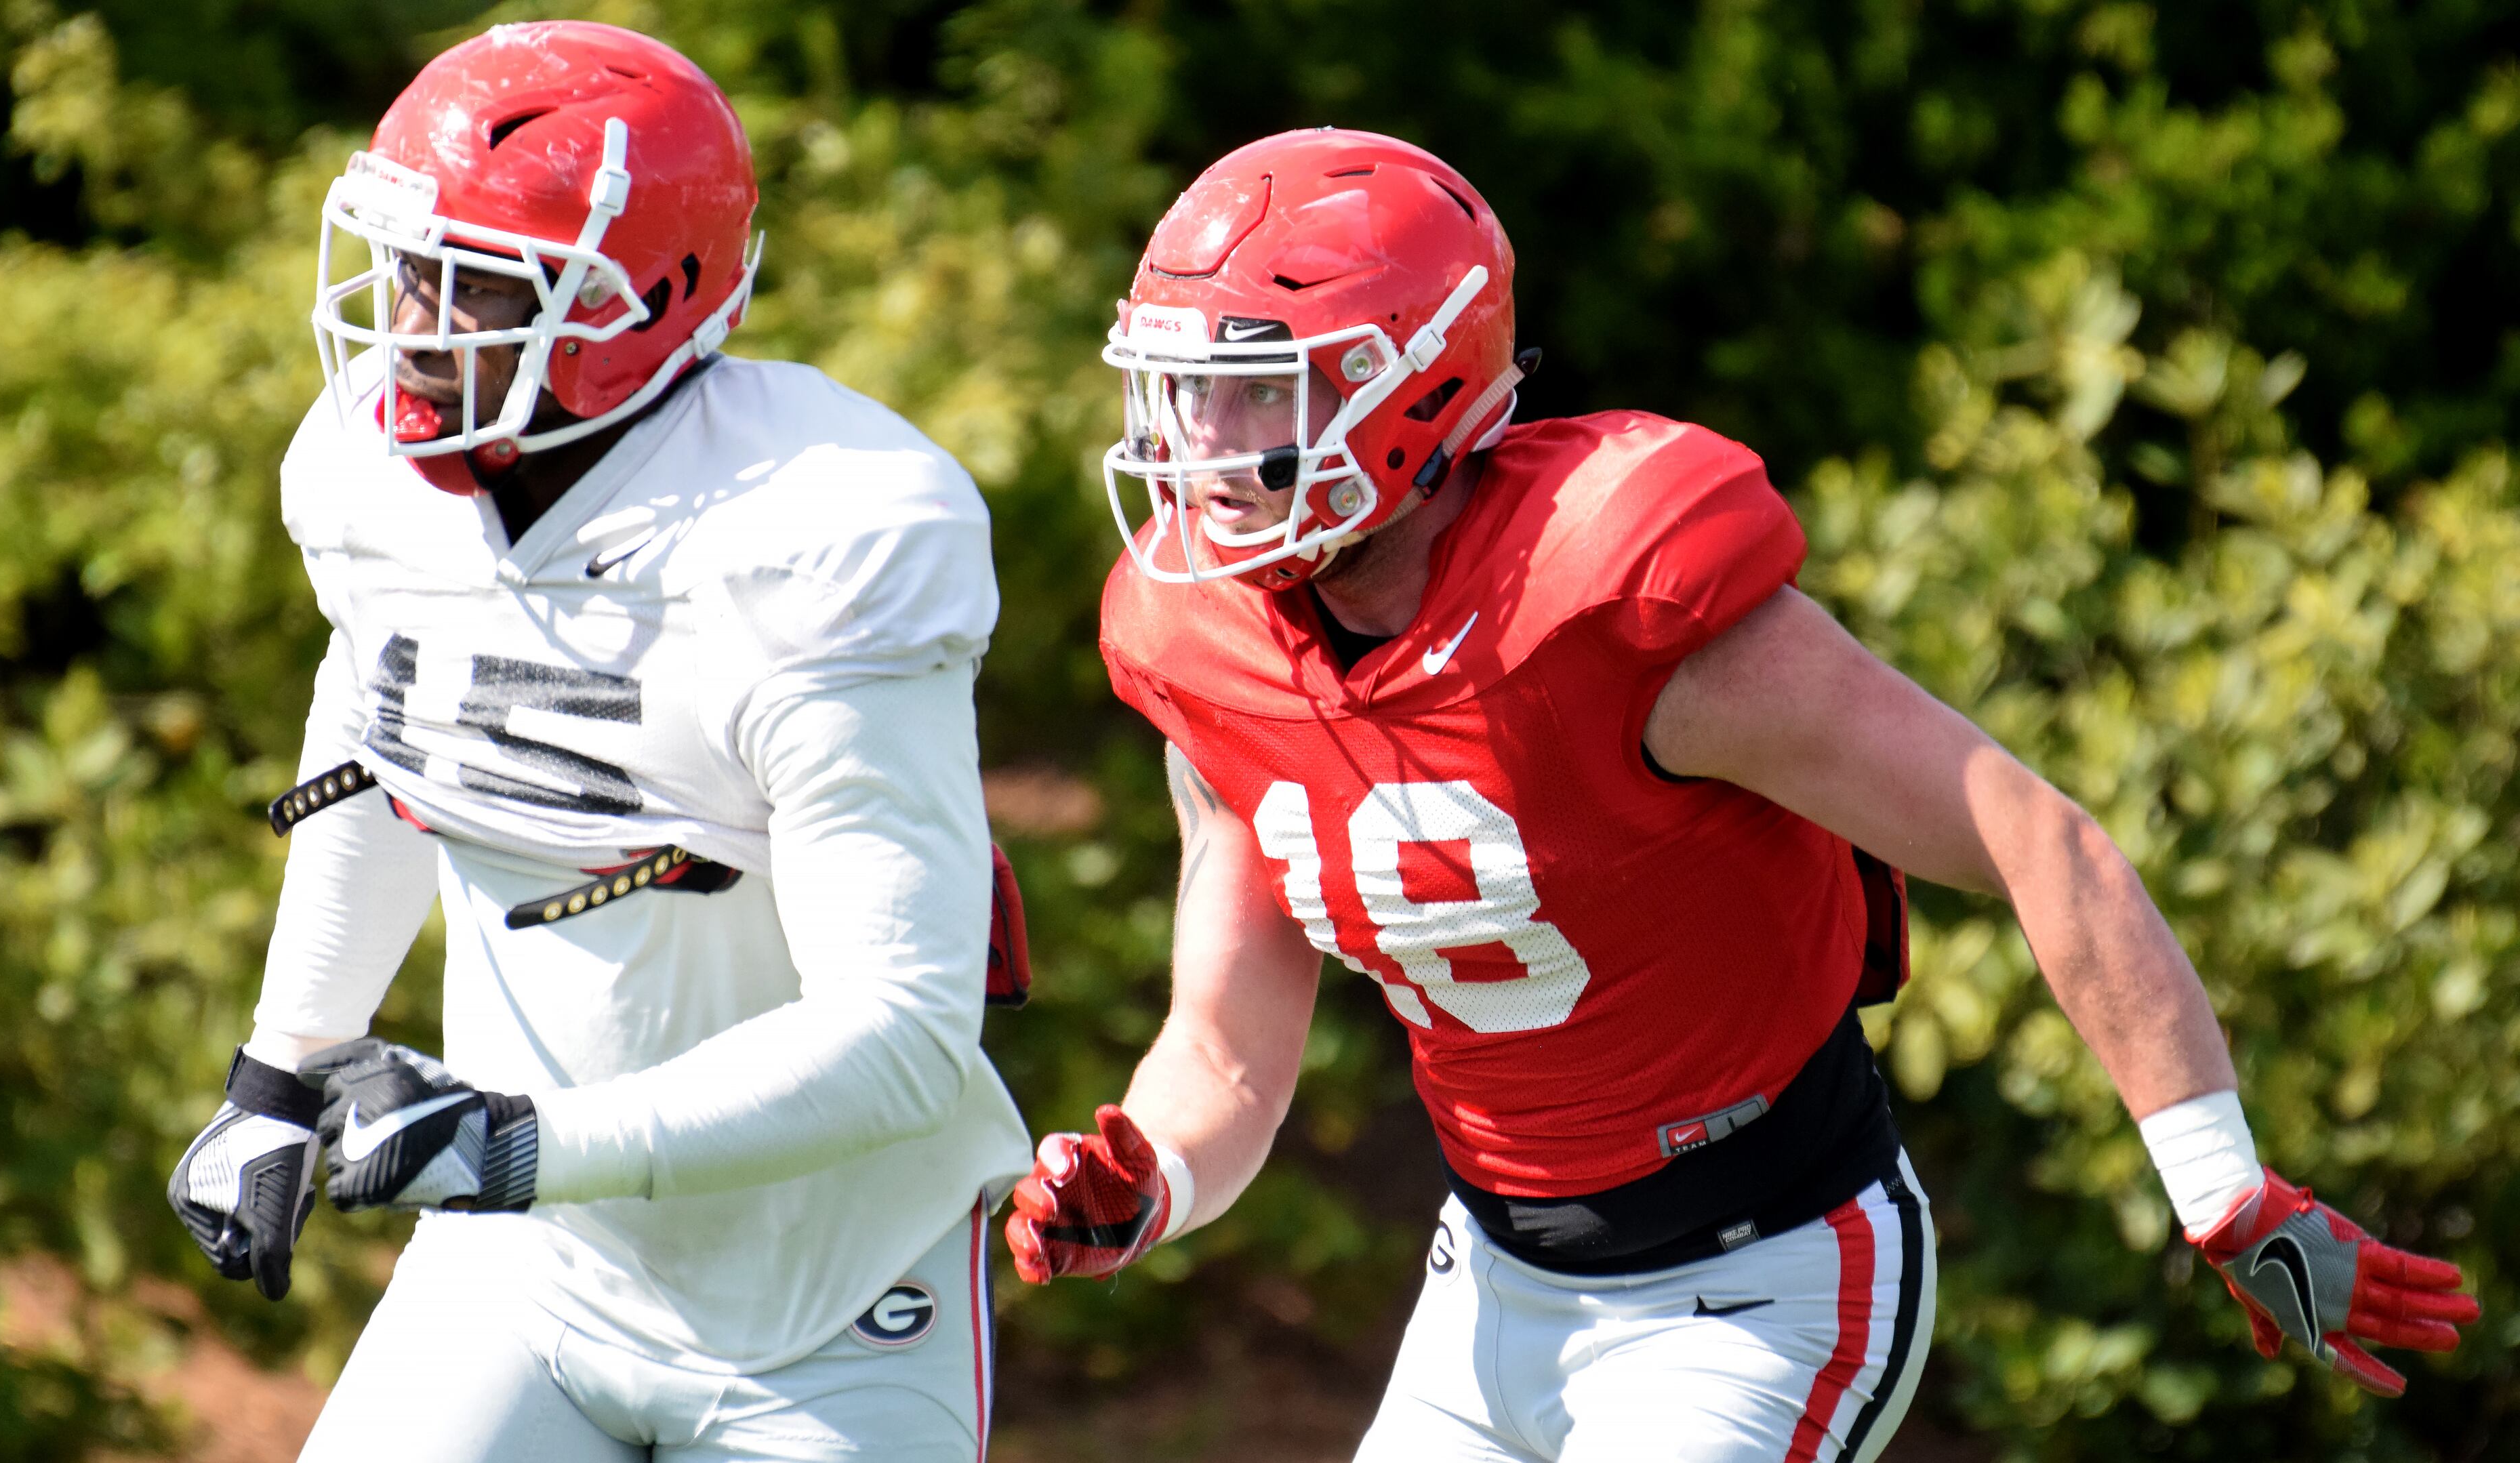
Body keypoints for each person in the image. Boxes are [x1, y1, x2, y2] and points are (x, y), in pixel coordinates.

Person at [1004, 127, 2480, 1462]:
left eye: (1252, 391)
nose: (1197, 454)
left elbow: (2036, 838)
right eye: (1184, 396)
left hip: (1761, 1285)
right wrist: (1150, 1183)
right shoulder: (1195, 642)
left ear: (1420, 379)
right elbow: (1228, 1048)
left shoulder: (1609, 594)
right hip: (1490, 1285)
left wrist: (2222, 1184)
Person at [164, 22, 1030, 1462]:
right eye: (409, 270)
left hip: (823, 1298)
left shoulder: (821, 536)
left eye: (479, 287)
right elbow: (387, 743)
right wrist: (283, 1069)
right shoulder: (371, 479)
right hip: (528, 1263)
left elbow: (904, 1037)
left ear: (641, 307)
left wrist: (514, 1146)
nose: (416, 328)